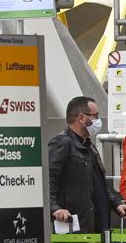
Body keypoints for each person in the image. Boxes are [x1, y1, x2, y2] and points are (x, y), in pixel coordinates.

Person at [51, 96, 126, 233]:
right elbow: (48, 180)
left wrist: (116, 203)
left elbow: (98, 185)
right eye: (95, 116)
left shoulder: (89, 146)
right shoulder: (62, 143)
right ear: (82, 118)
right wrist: (55, 208)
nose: (98, 121)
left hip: (96, 226)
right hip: (74, 226)